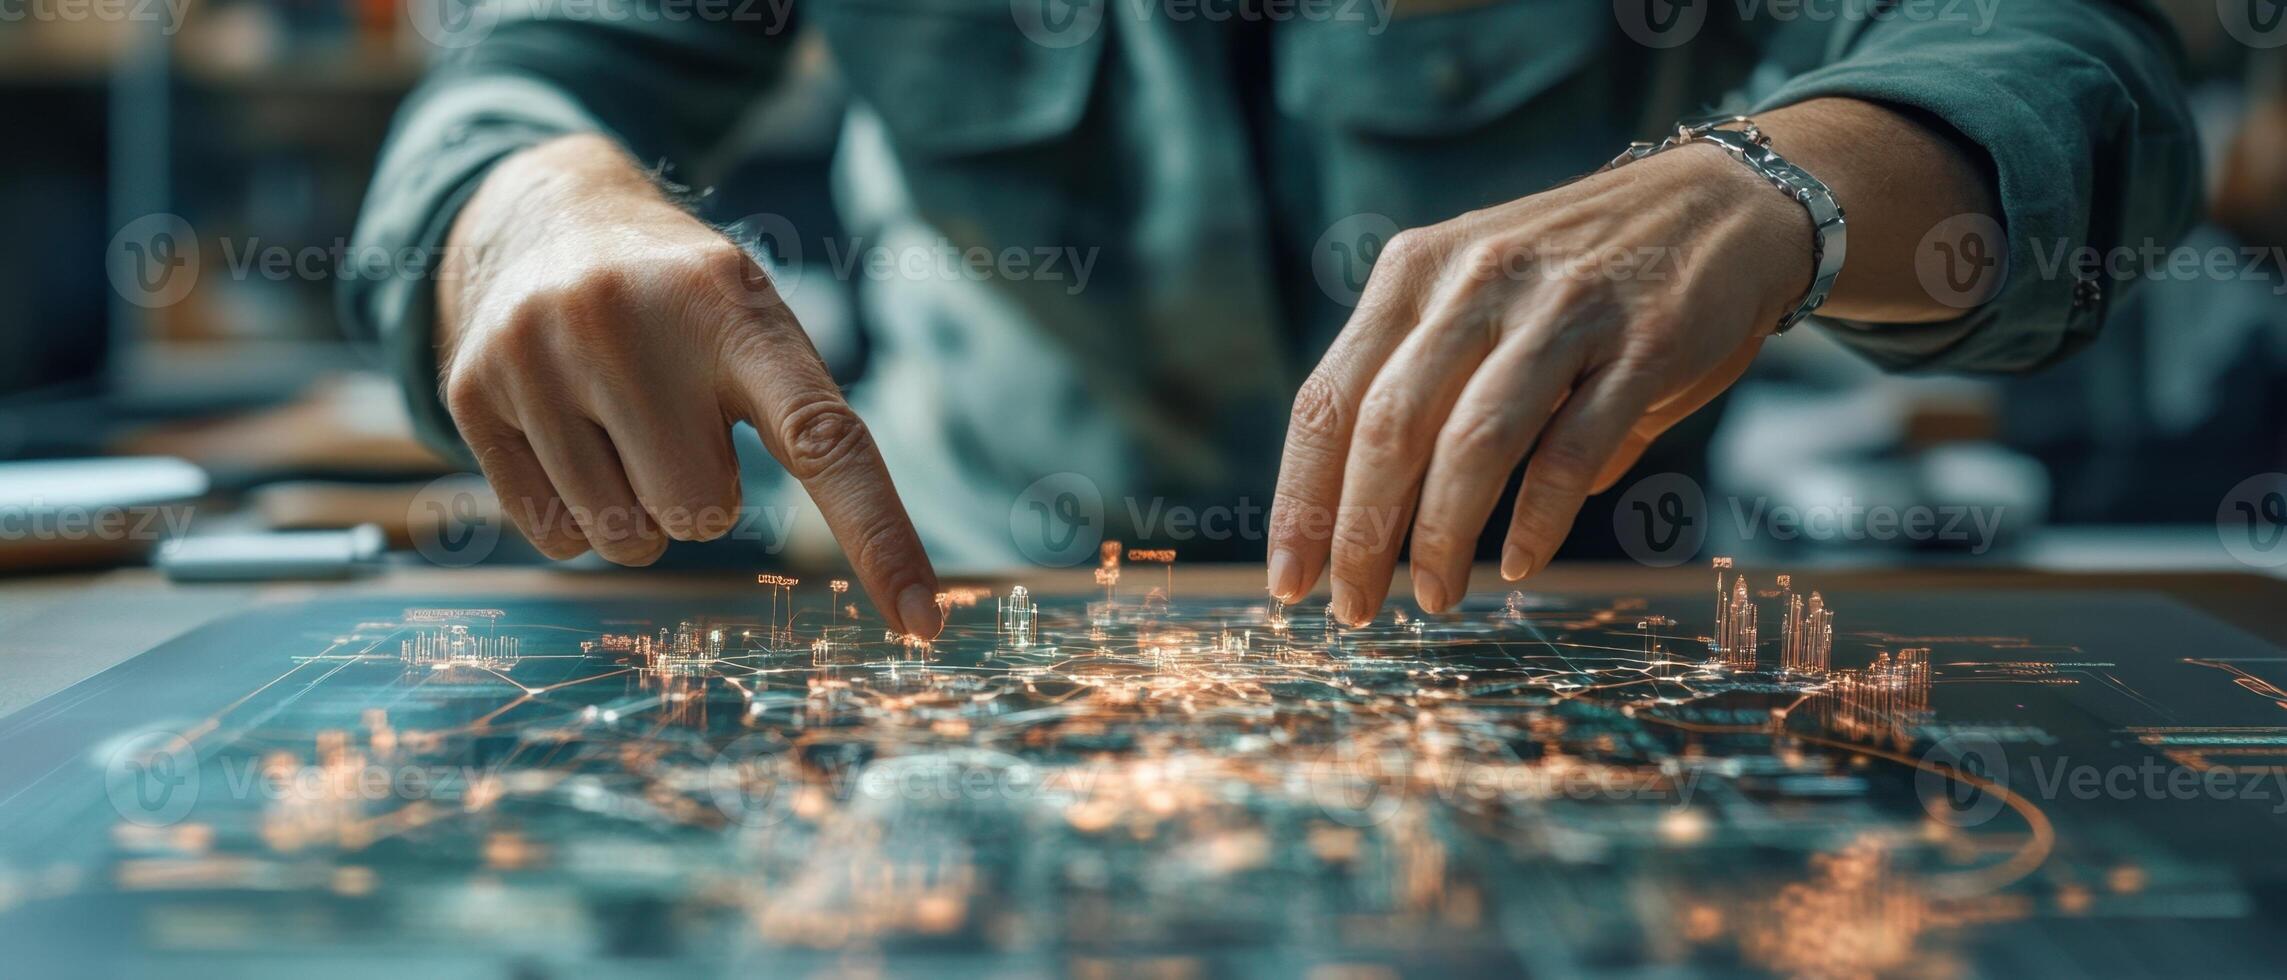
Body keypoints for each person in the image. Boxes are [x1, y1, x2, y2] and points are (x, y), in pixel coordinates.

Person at [345, 0, 2199, 640]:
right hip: (968, 644)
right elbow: (516, 80)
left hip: (1555, 649)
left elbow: (2070, 65)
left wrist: (1776, 185)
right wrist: (523, 205)